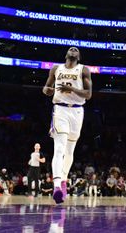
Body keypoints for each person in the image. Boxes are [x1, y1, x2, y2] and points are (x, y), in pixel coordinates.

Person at [42, 46, 92, 204]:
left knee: (70, 151)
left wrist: (69, 88)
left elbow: (88, 95)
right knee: (59, 148)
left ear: (79, 56)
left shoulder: (83, 70)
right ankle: (57, 186)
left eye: (76, 50)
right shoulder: (56, 69)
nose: (73, 49)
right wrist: (47, 91)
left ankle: (63, 180)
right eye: (71, 49)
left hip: (77, 112)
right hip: (60, 110)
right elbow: (46, 88)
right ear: (66, 54)